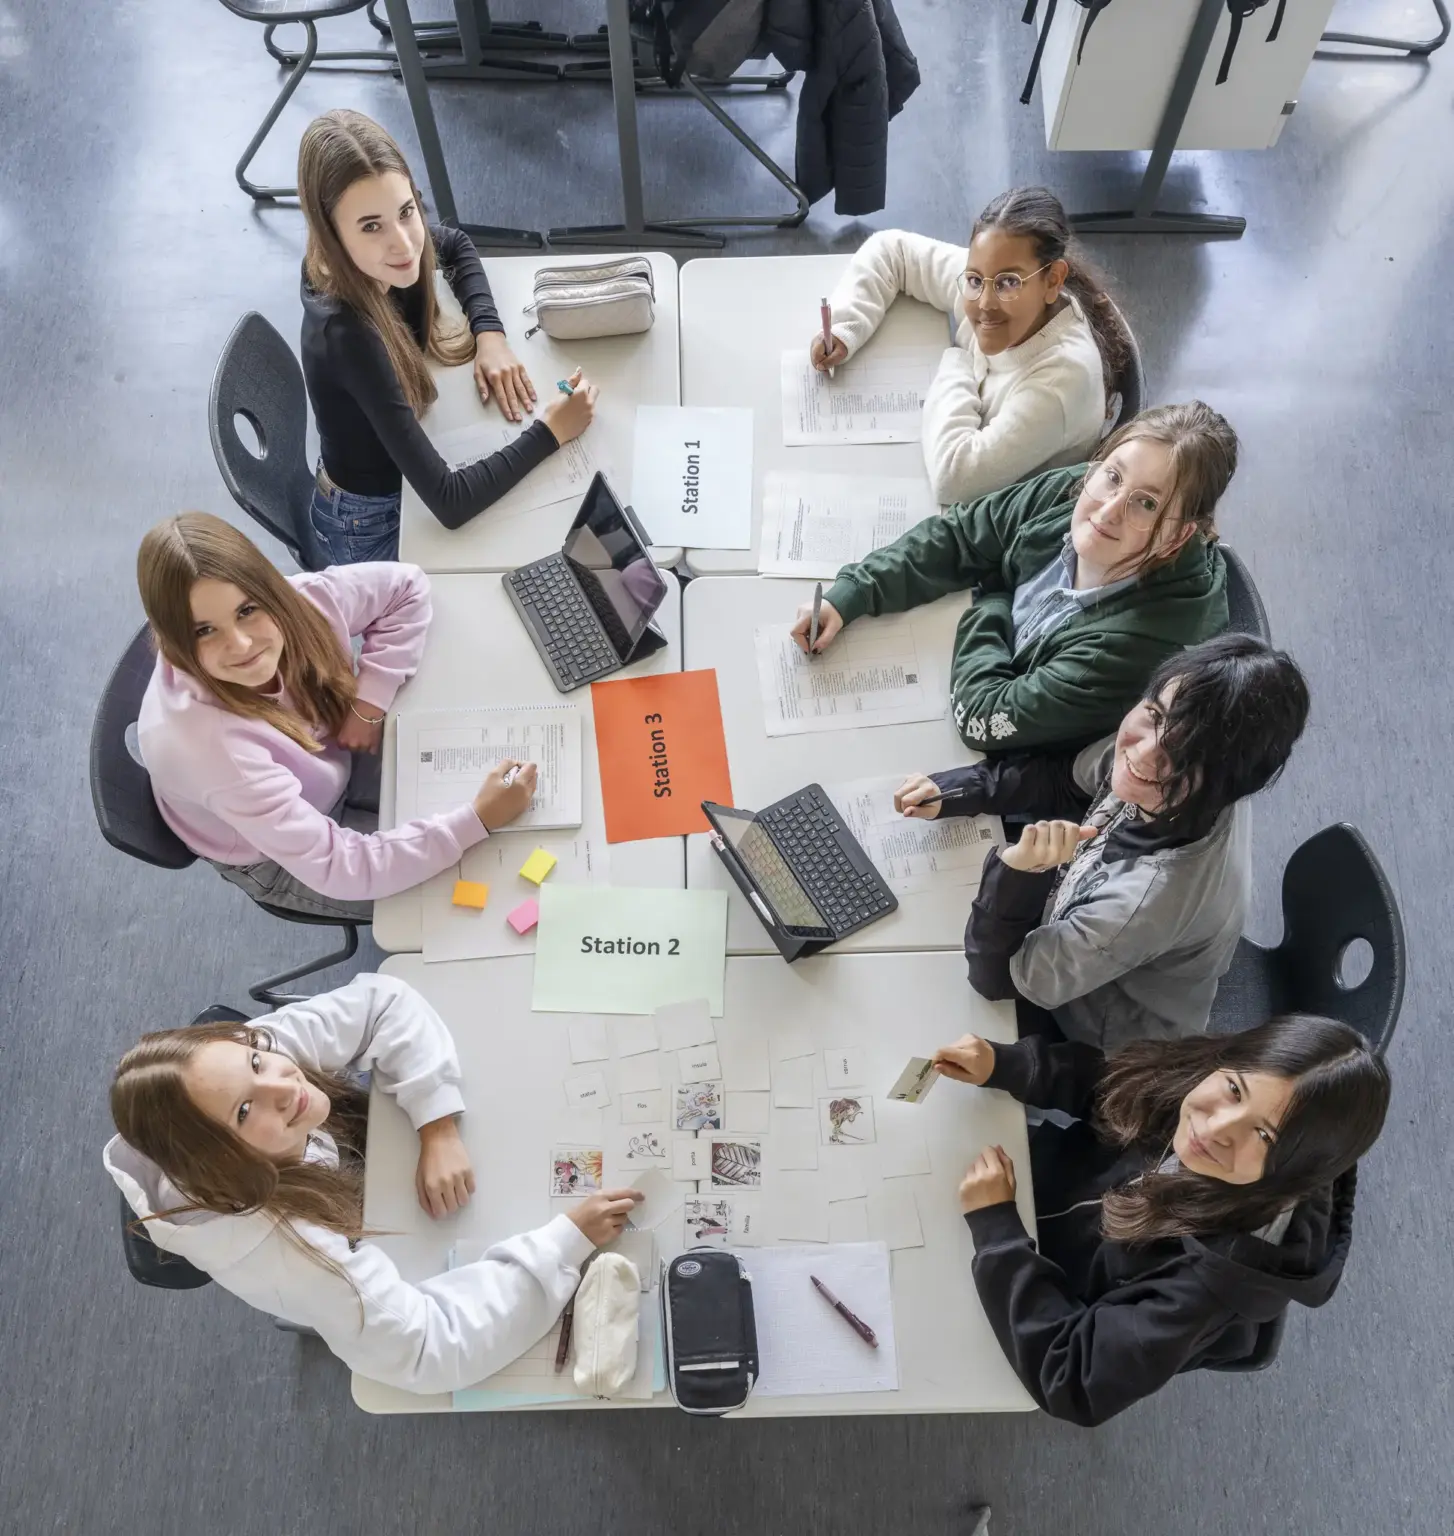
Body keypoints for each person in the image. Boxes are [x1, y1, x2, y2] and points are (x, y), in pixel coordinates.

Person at [105, 973, 644, 1394]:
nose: (282, 1082)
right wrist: (565, 1243)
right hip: (344, 1239)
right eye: (246, 1110)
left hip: (357, 1181)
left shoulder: (252, 1062)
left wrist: (437, 1125)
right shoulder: (291, 1253)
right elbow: (432, 1351)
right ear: (220, 1162)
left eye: (255, 1058)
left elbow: (383, 1003)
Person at [933, 1014, 1390, 1426]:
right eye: (1234, 1090)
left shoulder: (1208, 1286)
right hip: (1023, 1195)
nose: (1213, 1129)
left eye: (1264, 1135)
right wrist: (1009, 1064)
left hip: (1039, 1292)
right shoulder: (1197, 1080)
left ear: (1295, 1172)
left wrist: (998, 1232)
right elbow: (1114, 1088)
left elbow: (1073, 1379)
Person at [895, 635, 1311, 1050]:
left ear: (1230, 783)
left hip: (1102, 1035)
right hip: (1095, 938)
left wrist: (1017, 873)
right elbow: (1063, 778)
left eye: (1183, 754)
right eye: (1154, 715)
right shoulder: (1185, 770)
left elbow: (997, 977)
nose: (1143, 754)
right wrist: (959, 790)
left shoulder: (1143, 903)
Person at [135, 512, 538, 923]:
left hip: (330, 752)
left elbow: (407, 586)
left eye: (247, 610)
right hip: (277, 852)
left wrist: (369, 704)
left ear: (270, 590)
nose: (241, 644)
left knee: (487, 788)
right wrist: (476, 821)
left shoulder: (302, 601)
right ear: (173, 638)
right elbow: (339, 867)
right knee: (476, 892)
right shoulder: (212, 751)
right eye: (203, 631)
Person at [793, 402, 1234, 754]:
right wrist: (854, 592)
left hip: (1018, 776)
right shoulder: (1080, 489)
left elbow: (983, 717)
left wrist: (992, 598)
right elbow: (963, 536)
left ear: (1179, 537)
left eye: (1147, 505)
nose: (1107, 508)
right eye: (1113, 476)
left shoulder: (1136, 645)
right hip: (970, 674)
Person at [297, 109, 599, 562]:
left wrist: (490, 336)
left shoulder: (373, 263)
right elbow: (450, 501)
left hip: (401, 478)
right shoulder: (347, 335)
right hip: (369, 525)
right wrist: (552, 430)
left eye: (407, 212)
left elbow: (454, 244)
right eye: (371, 226)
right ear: (331, 234)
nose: (404, 243)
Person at [812, 186, 1126, 506]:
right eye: (975, 280)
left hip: (1003, 517)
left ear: (1054, 280)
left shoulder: (1061, 382)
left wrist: (959, 361)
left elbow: (954, 478)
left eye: (1009, 282)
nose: (984, 303)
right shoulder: (992, 278)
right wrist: (845, 327)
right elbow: (892, 250)